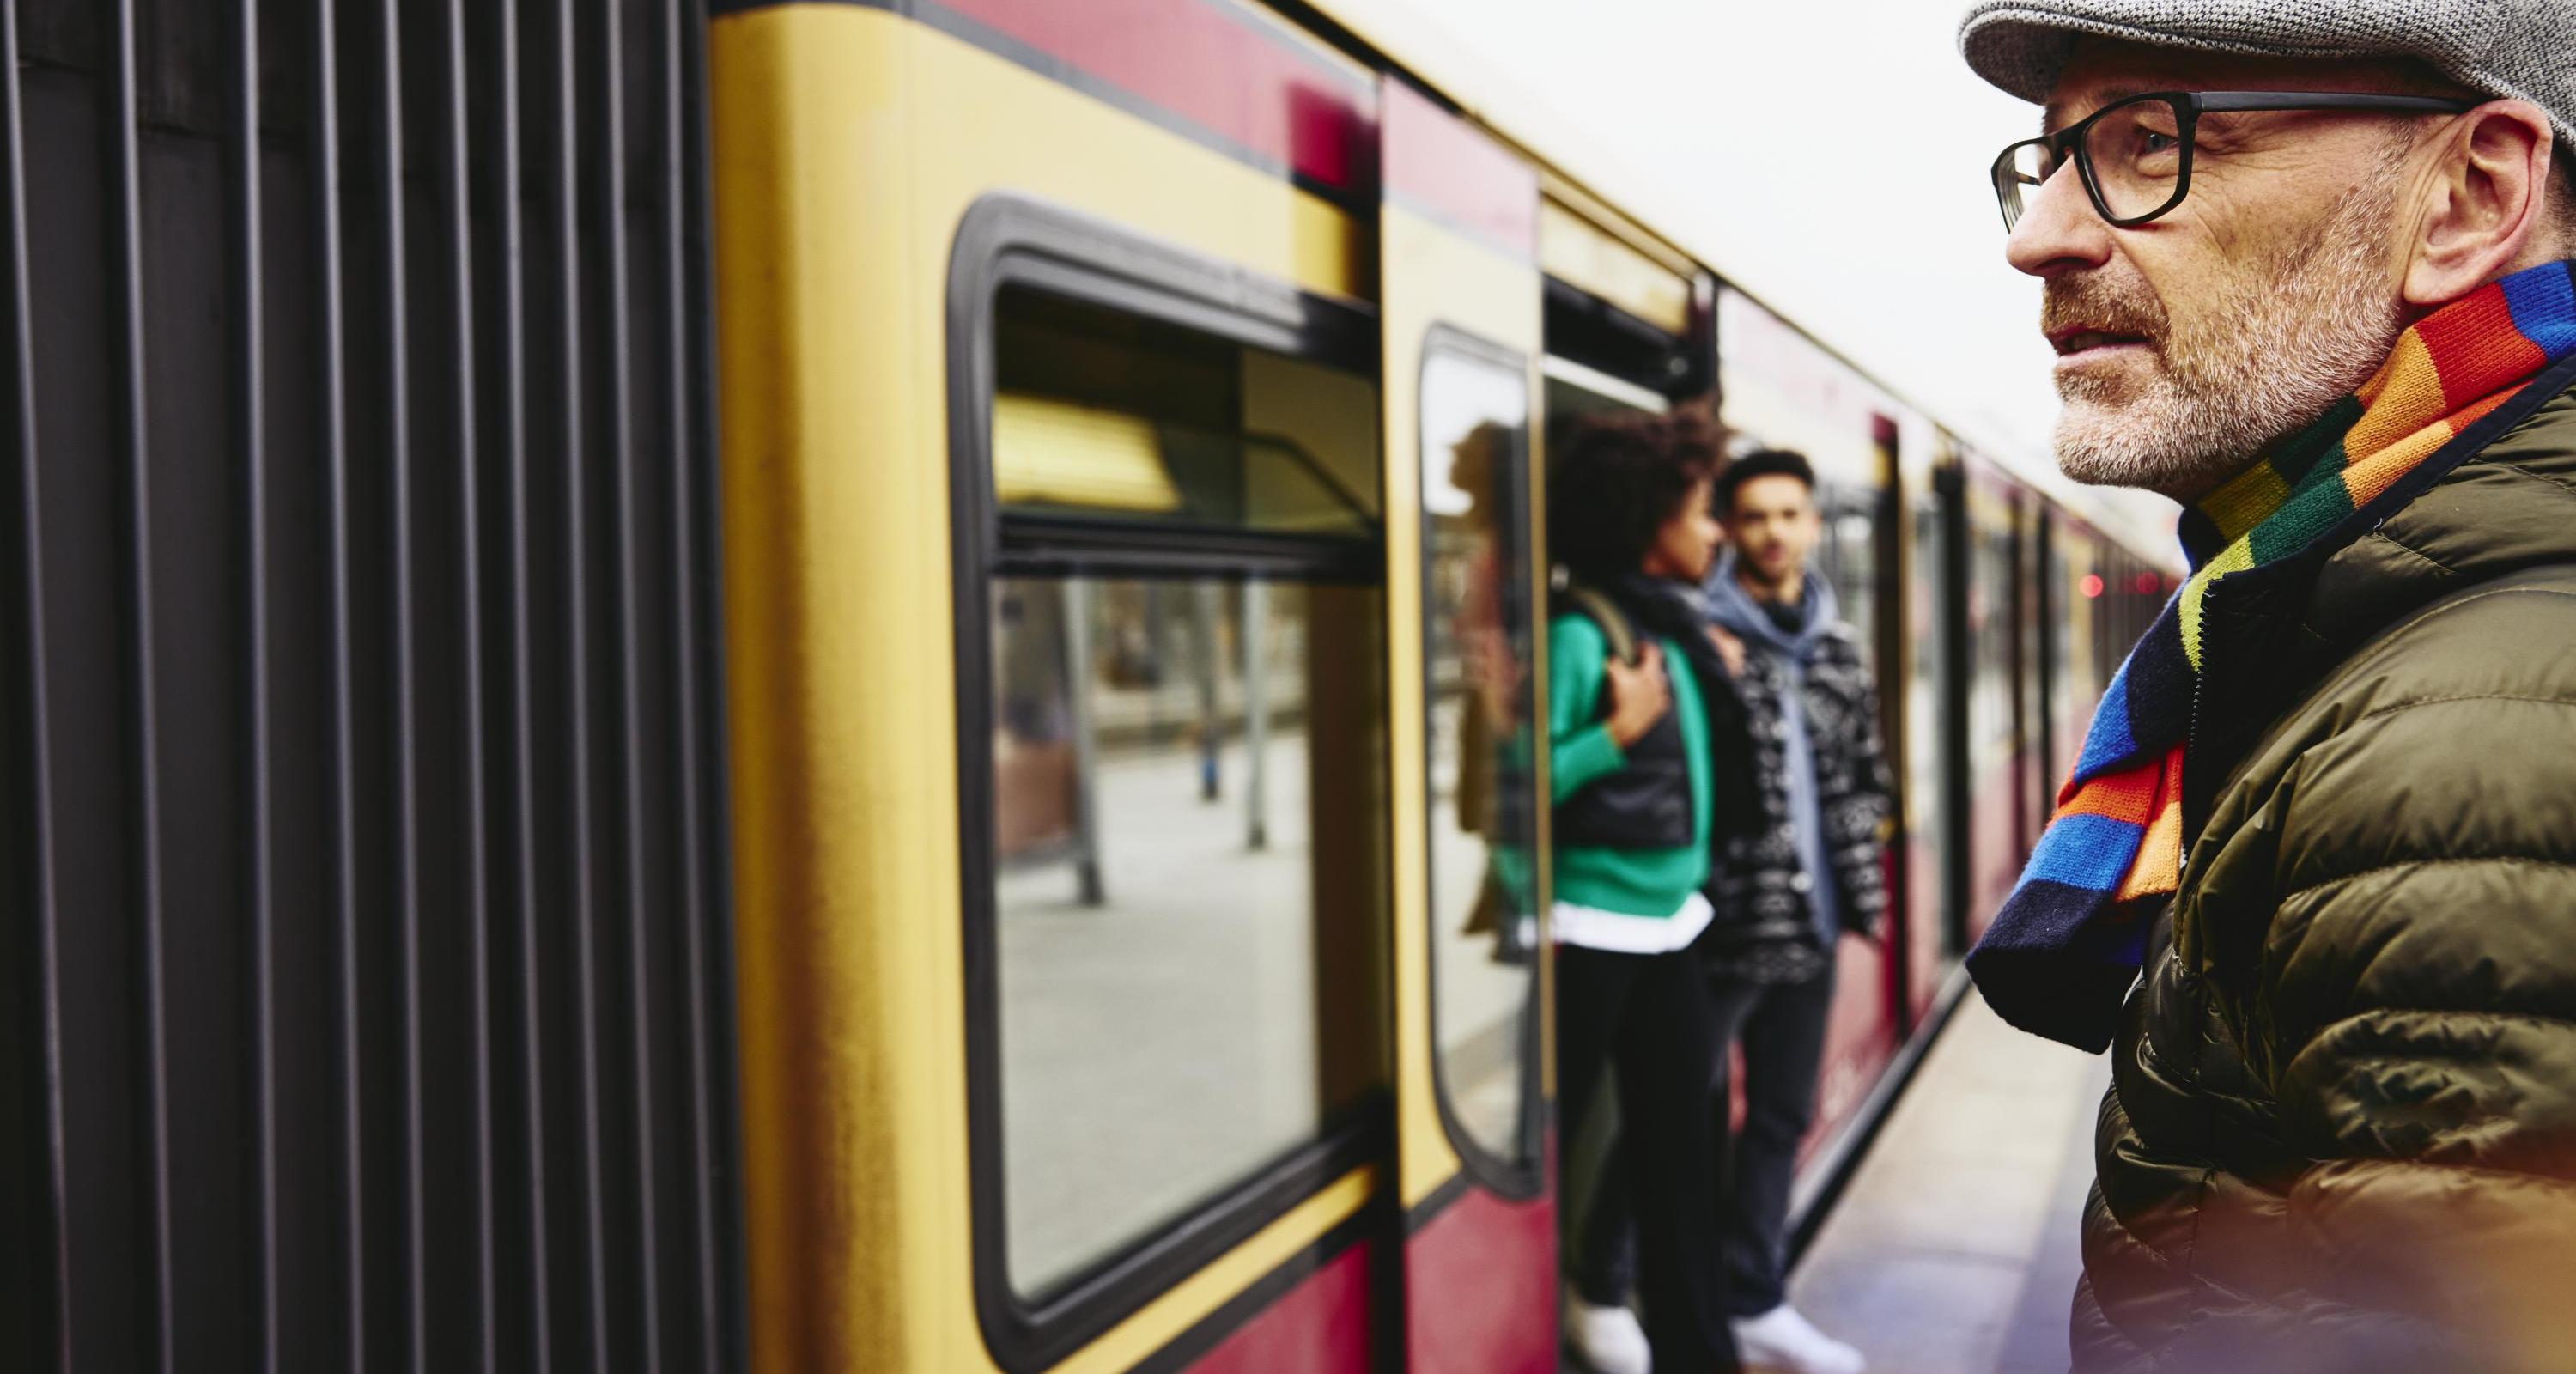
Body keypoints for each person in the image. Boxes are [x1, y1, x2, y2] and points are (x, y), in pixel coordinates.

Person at [1955, 3, 2576, 1370]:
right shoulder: (2355, 614)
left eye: (2148, 144)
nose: (2038, 236)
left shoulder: (2463, 752)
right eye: (2048, 160)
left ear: (2470, 198)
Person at [1571, 450, 1893, 1374]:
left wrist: (1852, 845)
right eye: (1752, 516)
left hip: (1815, 918)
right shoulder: (1690, 636)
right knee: (1667, 1116)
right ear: (1732, 527)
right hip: (1723, 925)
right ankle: (1600, 1283)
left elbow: (1865, 767)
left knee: (1781, 1116)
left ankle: (1754, 1297)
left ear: (1813, 525)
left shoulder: (1836, 643)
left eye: (1789, 514)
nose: (1771, 532)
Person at [1546, 409, 1754, 1374]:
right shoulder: (1580, 633)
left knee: (1684, 1167)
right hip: (1591, 930)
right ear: (1644, 518)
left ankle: (1699, 1353)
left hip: (1674, 925)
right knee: (1550, 1145)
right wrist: (1612, 736)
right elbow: (1515, 788)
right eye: (1701, 509)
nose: (1716, 531)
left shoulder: (1672, 628)